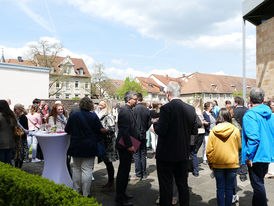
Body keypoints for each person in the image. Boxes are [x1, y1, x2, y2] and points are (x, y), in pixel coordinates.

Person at [153, 81, 198, 206]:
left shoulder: (166, 108)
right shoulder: (190, 109)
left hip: (166, 154)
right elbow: (194, 130)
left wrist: (155, 124)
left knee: (166, 186)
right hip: (183, 153)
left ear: (168, 94)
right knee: (182, 185)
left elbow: (161, 130)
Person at [65, 97, 106, 197]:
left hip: (76, 145)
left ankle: (76, 190)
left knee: (76, 169)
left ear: (80, 104)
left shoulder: (74, 115)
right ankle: (86, 193)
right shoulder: (93, 116)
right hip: (90, 146)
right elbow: (100, 130)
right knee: (87, 170)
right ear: (90, 105)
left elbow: (67, 130)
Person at [242, 88, 274, 206]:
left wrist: (249, 156)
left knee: (258, 185)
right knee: (259, 184)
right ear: (263, 99)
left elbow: (254, 138)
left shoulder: (250, 115)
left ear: (250, 99)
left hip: (256, 156)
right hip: (266, 154)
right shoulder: (270, 114)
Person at [206, 108, 241, 206]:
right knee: (229, 188)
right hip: (232, 163)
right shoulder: (235, 130)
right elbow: (239, 146)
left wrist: (210, 163)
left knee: (220, 188)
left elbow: (209, 150)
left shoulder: (213, 131)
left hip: (217, 163)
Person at [115, 91, 139, 206]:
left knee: (125, 170)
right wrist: (129, 145)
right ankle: (120, 198)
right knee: (123, 172)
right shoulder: (125, 111)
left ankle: (122, 193)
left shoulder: (129, 110)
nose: (137, 100)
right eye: (135, 99)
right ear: (128, 100)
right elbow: (124, 130)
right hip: (125, 146)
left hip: (127, 144)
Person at [97, 99, 118, 191]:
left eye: (102, 105)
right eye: (99, 104)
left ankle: (111, 184)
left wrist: (101, 129)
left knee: (108, 163)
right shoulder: (100, 114)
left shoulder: (108, 115)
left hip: (108, 142)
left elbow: (112, 129)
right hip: (103, 141)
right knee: (107, 163)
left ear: (107, 106)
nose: (100, 106)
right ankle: (110, 183)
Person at [132, 93, 151, 180]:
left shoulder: (134, 109)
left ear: (137, 99)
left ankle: (138, 174)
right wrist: (145, 129)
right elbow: (149, 122)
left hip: (135, 134)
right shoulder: (146, 109)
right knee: (143, 154)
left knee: (136, 155)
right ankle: (144, 173)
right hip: (143, 133)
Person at [190, 98, 206, 177]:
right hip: (202, 132)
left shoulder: (194, 110)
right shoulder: (201, 111)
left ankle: (195, 170)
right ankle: (194, 168)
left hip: (196, 132)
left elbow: (196, 123)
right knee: (195, 151)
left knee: (193, 152)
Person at [0, 100, 17, 165]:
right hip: (10, 142)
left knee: (2, 164)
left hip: (1, 144)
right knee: (8, 163)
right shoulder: (11, 116)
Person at [13, 104, 29, 168]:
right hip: (18, 138)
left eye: (15, 109)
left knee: (20, 153)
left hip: (21, 138)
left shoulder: (23, 117)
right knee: (17, 153)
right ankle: (17, 167)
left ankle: (19, 167)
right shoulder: (18, 117)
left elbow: (25, 129)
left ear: (19, 110)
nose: (14, 111)